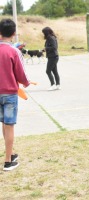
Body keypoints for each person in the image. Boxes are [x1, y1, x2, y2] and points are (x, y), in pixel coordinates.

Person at [0, 19, 30, 171]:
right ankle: (8, 161)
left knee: (4, 124)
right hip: (9, 93)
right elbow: (21, 73)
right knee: (9, 125)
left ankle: (10, 153)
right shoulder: (14, 51)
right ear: (13, 34)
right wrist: (26, 82)